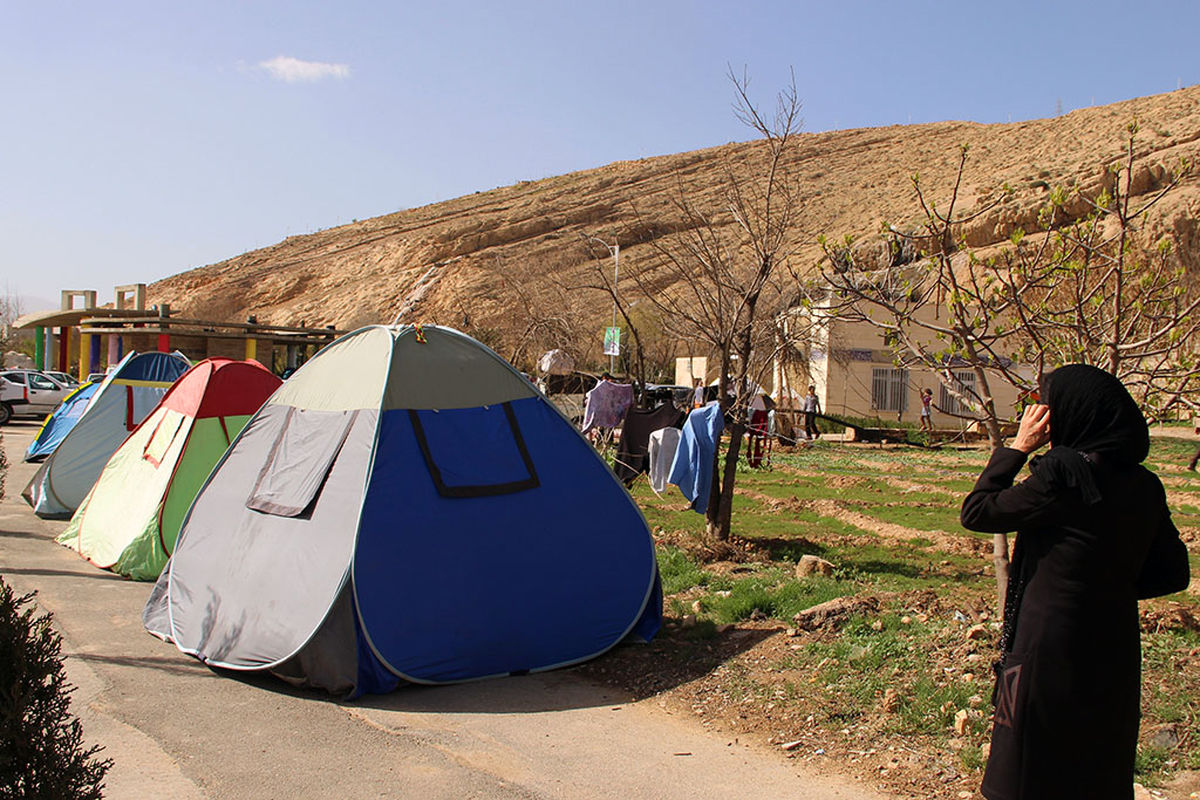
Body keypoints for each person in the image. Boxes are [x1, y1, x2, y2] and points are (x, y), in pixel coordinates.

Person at [960, 364, 1189, 800]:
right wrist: (1104, 585)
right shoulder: (1145, 485)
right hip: (1114, 650)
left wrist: (1018, 447)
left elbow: (978, 512)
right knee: (1095, 766)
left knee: (1027, 771)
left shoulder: (1063, 474)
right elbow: (1174, 572)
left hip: (1046, 649)